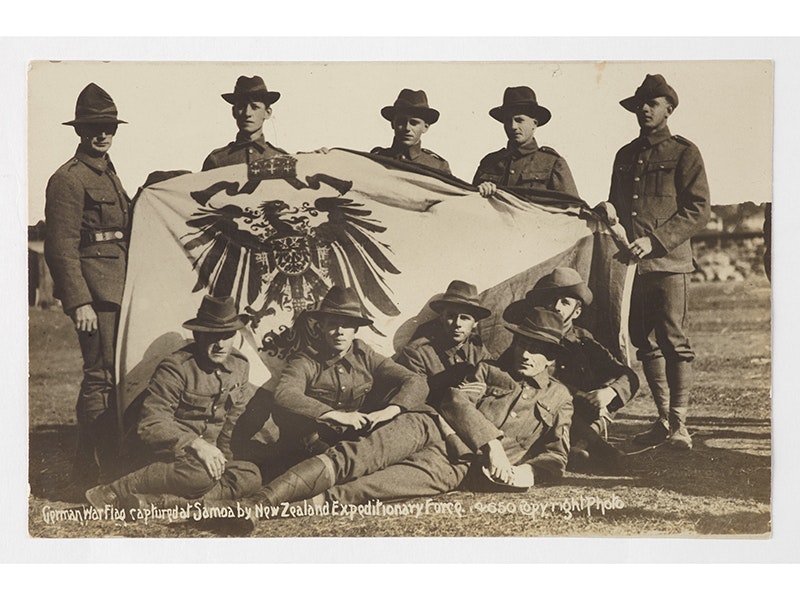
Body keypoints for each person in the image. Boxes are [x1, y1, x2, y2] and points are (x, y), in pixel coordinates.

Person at [242, 307, 572, 512]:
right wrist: (494, 445)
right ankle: (259, 503)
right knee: (355, 457)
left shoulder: (560, 398)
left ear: (552, 356)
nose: (527, 355)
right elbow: (454, 402)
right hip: (427, 425)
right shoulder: (488, 370)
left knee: (367, 489)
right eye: (523, 344)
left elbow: (557, 455)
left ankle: (281, 511)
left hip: (456, 465)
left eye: (538, 349)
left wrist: (528, 472)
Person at [602, 74, 710, 450]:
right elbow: (619, 205)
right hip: (632, 269)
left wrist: (656, 241)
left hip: (669, 265)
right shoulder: (625, 155)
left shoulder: (684, 152)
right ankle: (664, 420)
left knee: (674, 342)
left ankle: (680, 425)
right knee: (644, 344)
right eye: (640, 104)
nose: (644, 109)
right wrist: (607, 212)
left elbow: (698, 210)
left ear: (669, 108)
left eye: (653, 103)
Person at [84, 295, 262, 512]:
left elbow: (230, 424)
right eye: (213, 335)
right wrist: (197, 444)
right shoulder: (177, 367)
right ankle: (113, 491)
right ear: (198, 334)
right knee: (200, 476)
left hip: (199, 461)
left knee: (251, 475)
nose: (220, 344)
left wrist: (222, 460)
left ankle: (160, 502)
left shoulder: (239, 366)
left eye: (228, 335)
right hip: (165, 457)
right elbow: (151, 424)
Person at [44, 83, 132, 490]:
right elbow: (60, 247)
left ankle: (88, 468)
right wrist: (78, 302)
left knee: (110, 377)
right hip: (94, 296)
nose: (102, 133)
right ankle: (101, 472)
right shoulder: (68, 179)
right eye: (94, 126)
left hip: (117, 290)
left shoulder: (110, 172)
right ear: (80, 130)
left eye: (109, 125)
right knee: (100, 378)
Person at [271, 286, 429, 459]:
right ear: (322, 327)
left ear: (355, 330)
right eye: (332, 324)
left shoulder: (365, 355)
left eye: (346, 325)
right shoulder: (306, 360)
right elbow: (285, 393)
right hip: (313, 445)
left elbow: (416, 380)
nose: (339, 332)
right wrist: (333, 415)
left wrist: (391, 410)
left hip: (354, 440)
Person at [526, 267, 639, 470]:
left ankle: (579, 445)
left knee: (606, 394)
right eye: (552, 300)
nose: (556, 307)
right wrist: (575, 393)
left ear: (577, 312)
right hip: (544, 414)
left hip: (582, 413)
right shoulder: (530, 337)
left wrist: (609, 392)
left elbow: (627, 376)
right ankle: (597, 448)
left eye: (565, 302)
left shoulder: (583, 340)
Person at [473, 86, 579, 199]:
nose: (513, 126)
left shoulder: (552, 163)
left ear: (534, 123)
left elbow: (572, 208)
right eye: (508, 121)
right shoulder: (489, 162)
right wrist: (481, 190)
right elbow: (472, 207)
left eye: (519, 120)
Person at [398, 280, 494, 403]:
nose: (457, 324)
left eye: (465, 318)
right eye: (451, 316)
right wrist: (454, 395)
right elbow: (412, 397)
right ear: (441, 317)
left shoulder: (477, 347)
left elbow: (494, 378)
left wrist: (483, 388)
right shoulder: (417, 353)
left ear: (475, 323)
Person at [202, 75, 286, 171]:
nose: (247, 113)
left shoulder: (281, 158)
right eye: (241, 106)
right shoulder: (217, 160)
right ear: (234, 112)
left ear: (267, 113)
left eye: (254, 107)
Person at [370, 89, 451, 175]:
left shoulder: (437, 166)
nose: (407, 128)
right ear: (393, 124)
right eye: (401, 122)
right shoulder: (377, 158)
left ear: (425, 127)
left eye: (414, 123)